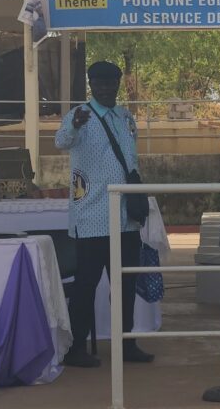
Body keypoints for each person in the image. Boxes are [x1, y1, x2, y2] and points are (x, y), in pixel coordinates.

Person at [55, 61, 152, 367]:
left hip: (125, 218)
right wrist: (74, 125)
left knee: (124, 285)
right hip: (92, 217)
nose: (107, 88)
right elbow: (61, 142)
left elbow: (132, 158)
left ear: (118, 84)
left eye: (112, 82)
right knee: (86, 286)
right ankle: (76, 349)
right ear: (91, 84)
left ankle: (127, 344)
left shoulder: (125, 116)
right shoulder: (79, 115)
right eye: (100, 83)